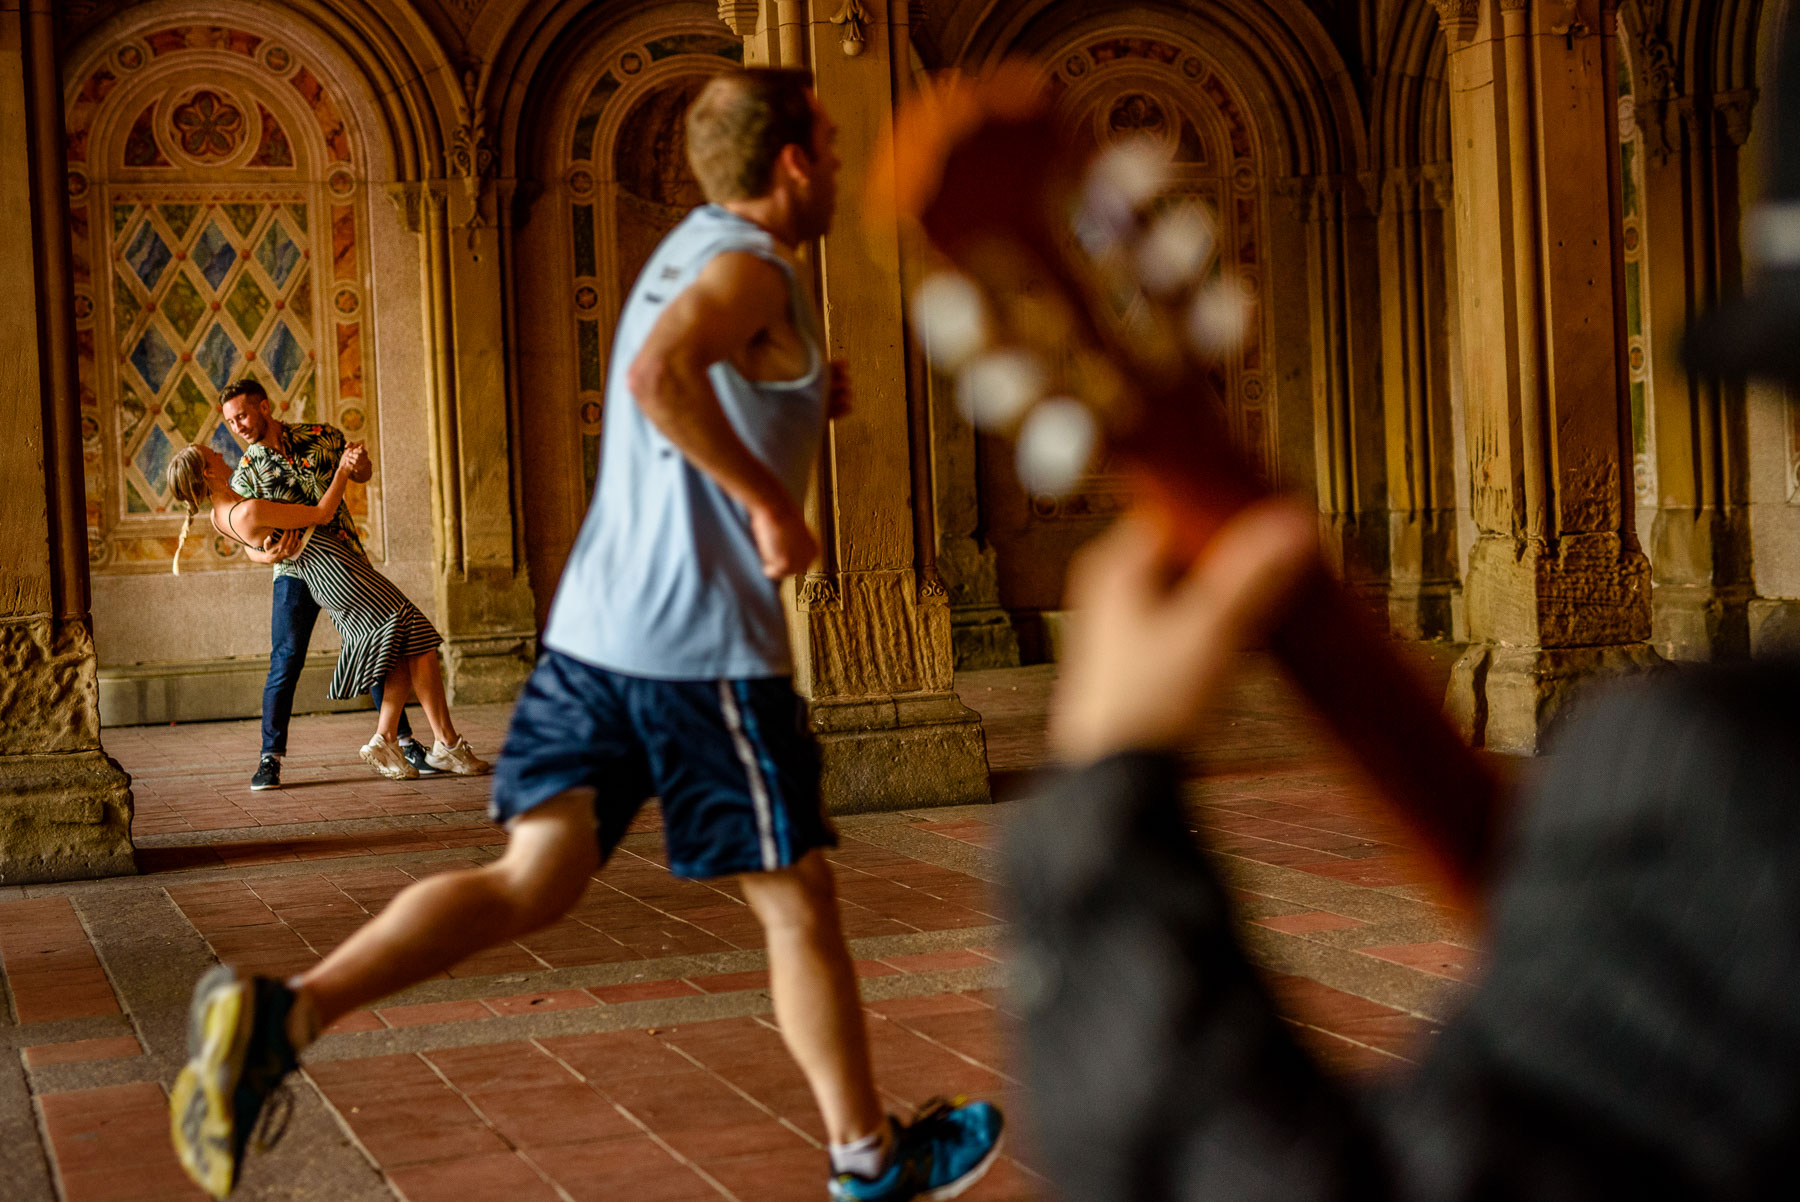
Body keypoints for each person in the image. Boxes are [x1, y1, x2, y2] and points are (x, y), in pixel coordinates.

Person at [167, 68, 1002, 1202]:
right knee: (796, 893)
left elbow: (686, 367)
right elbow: (663, 380)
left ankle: (282, 1013)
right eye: (833, 148)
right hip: (699, 646)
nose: (842, 169)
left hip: (595, 635)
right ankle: (868, 1160)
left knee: (531, 876)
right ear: (796, 161)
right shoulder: (753, 264)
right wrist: (767, 498)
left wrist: (799, 397)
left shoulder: (688, 255)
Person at [166, 443, 490, 782]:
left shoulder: (222, 516)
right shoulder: (247, 509)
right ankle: (405, 741)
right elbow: (321, 513)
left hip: (325, 571)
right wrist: (342, 472)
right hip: (333, 567)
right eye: (212, 454)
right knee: (407, 626)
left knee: (408, 636)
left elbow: (253, 549)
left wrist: (266, 555)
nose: (219, 452)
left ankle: (407, 741)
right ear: (207, 471)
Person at [218, 378, 431, 789]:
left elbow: (362, 474)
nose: (238, 427)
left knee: (375, 644)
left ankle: (404, 742)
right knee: (285, 660)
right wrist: (267, 556)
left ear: (265, 407)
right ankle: (269, 758)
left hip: (347, 562)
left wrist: (360, 464)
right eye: (230, 422)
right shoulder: (246, 475)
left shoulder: (323, 436)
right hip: (293, 572)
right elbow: (246, 542)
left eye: (242, 415)